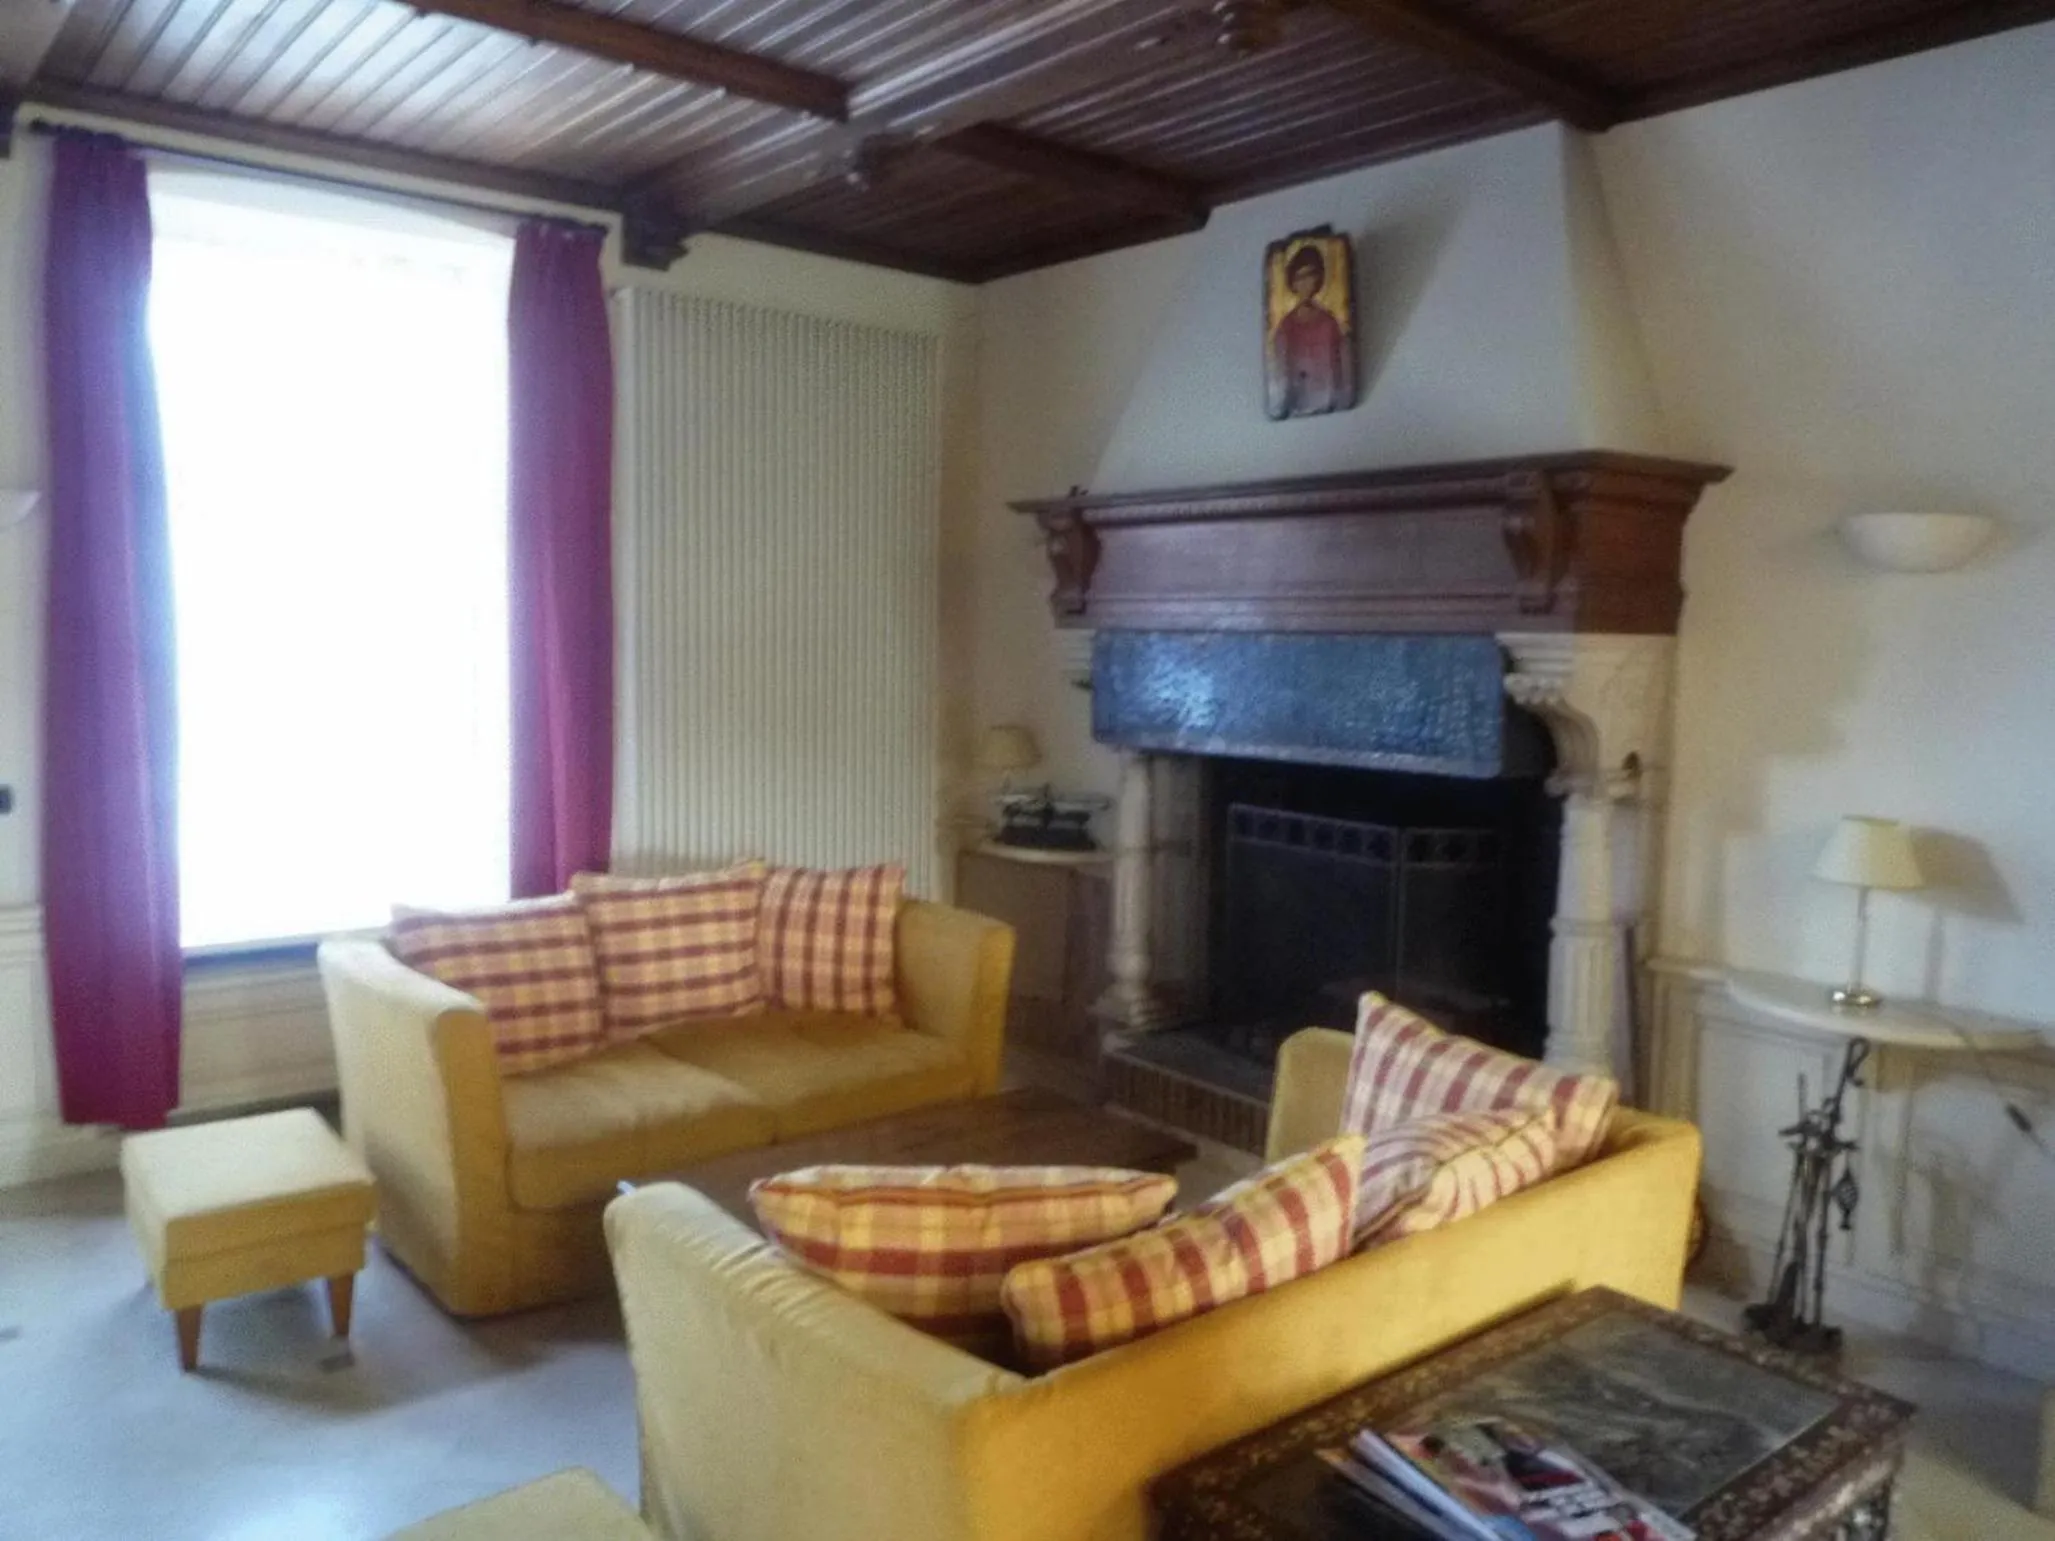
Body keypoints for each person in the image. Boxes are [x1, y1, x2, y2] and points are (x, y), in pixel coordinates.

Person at [1266, 242, 1353, 417]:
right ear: (1293, 282)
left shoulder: (1330, 323)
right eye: (1300, 277)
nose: (1305, 283)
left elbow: (1341, 372)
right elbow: (1279, 373)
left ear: (1318, 278)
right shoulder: (1286, 327)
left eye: (1310, 275)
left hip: (1330, 407)